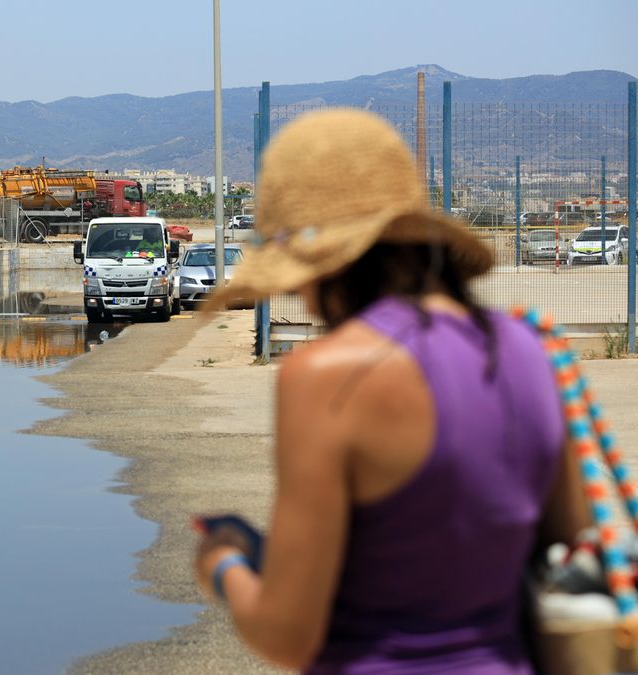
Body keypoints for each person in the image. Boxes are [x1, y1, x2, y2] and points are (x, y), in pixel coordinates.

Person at [193, 109, 588, 673]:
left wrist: (225, 564)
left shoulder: (329, 377)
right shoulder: (528, 350)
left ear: (326, 263)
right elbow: (569, 537)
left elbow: (287, 636)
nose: (301, 296)